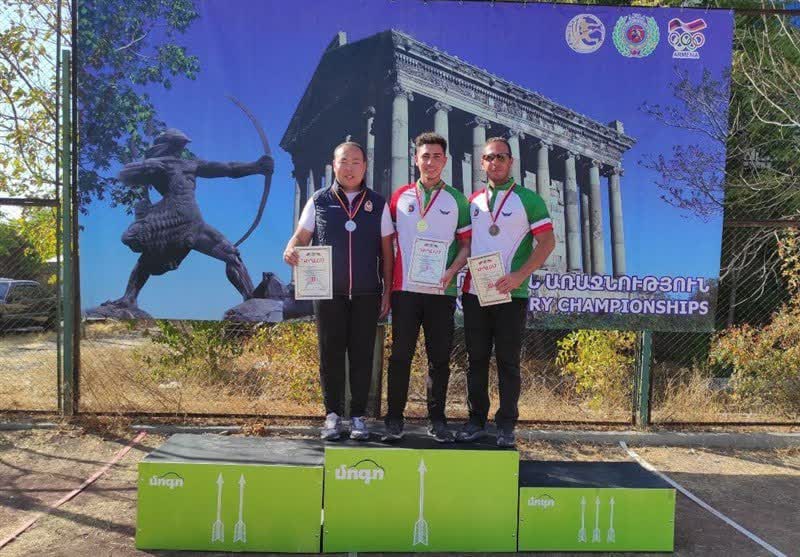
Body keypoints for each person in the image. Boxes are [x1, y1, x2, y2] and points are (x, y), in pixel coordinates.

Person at [283, 142, 394, 441]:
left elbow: (388, 252)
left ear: (365, 166)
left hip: (367, 294)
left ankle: (358, 417)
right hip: (328, 293)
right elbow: (300, 237)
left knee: (362, 355)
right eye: (344, 161)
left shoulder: (378, 203)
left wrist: (387, 292)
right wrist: (291, 249)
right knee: (330, 354)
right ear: (334, 165)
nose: (350, 168)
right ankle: (332, 416)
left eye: (356, 162)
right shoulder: (319, 200)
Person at [457, 137, 555, 447]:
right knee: (475, 360)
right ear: (482, 162)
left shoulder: (529, 199)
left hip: (513, 294)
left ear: (511, 162)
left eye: (501, 157)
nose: (495, 162)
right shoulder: (472, 201)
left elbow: (547, 243)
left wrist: (519, 275)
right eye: (489, 157)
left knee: (508, 362)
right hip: (475, 293)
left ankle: (506, 424)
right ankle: (476, 421)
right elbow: (464, 244)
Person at [382, 132, 471, 443]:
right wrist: (387, 288)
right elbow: (387, 244)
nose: (430, 162)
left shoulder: (457, 200)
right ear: (415, 159)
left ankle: (437, 419)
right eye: (425, 156)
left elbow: (466, 245)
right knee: (400, 356)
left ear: (444, 160)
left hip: (441, 291)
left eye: (436, 157)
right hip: (405, 291)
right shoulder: (400, 197)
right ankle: (394, 417)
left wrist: (451, 271)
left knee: (439, 359)